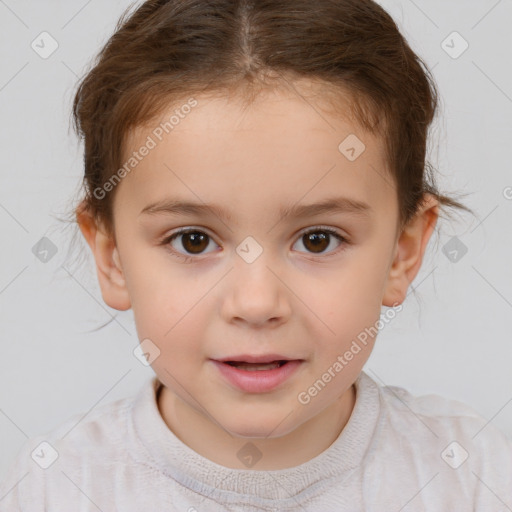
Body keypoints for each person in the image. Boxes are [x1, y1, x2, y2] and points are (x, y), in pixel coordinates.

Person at [1, 0, 511, 510]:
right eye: (193, 240)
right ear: (111, 257)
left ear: (403, 252)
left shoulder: (475, 477)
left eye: (317, 239)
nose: (256, 302)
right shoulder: (55, 487)